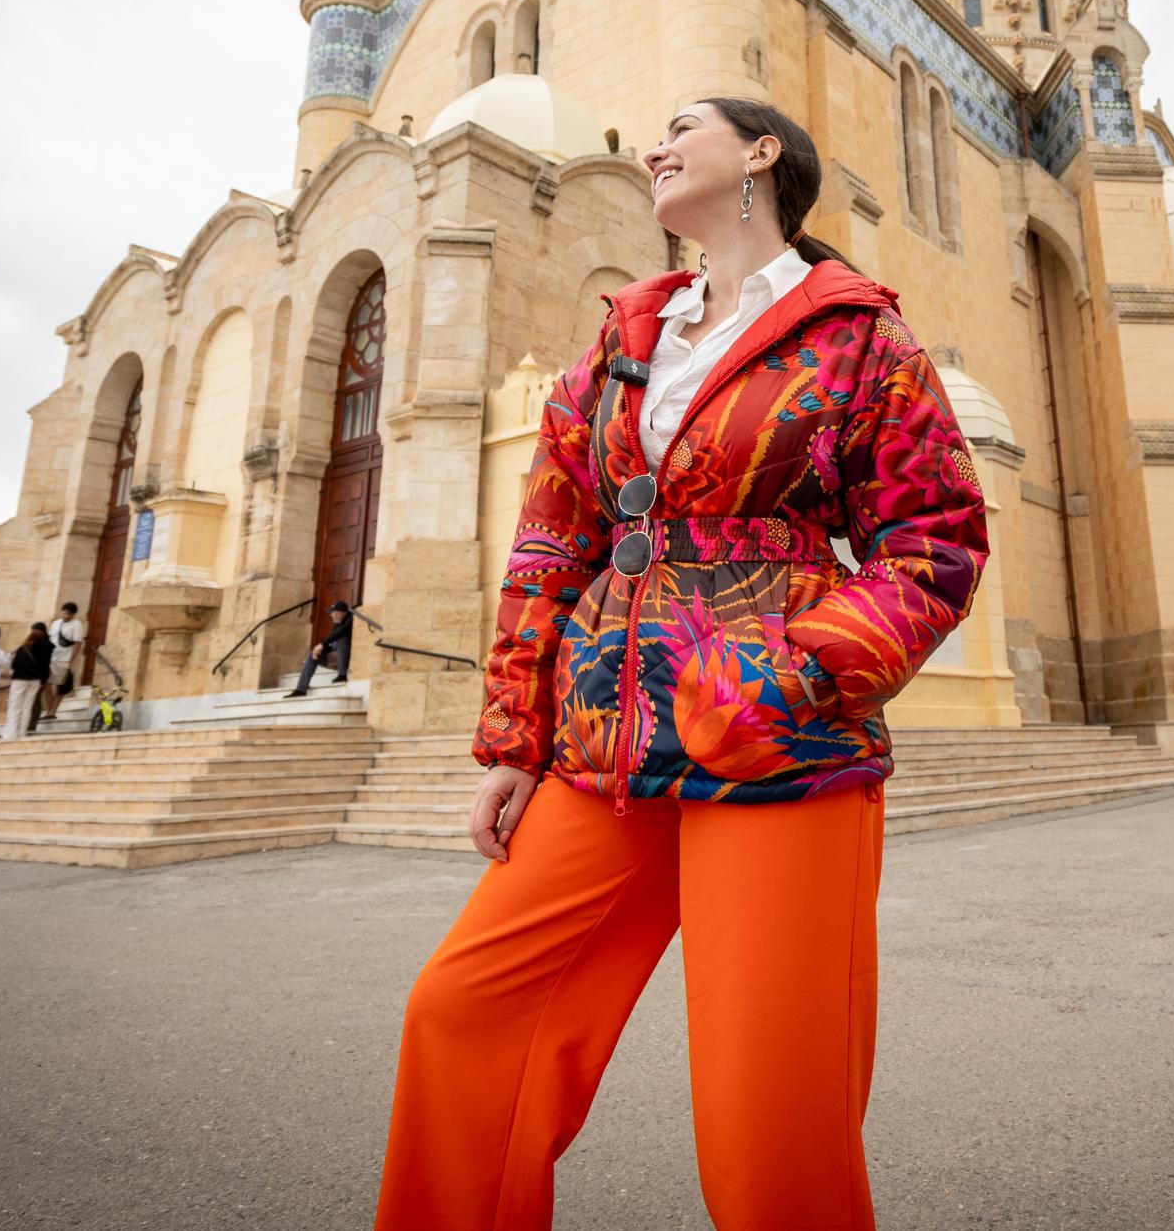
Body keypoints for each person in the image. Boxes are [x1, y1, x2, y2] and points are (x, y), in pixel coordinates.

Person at [374, 98, 990, 1230]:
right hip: (604, 746)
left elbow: (934, 542)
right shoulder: (622, 336)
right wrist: (516, 734)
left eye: (683, 125)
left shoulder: (857, 334)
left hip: (778, 743)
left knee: (767, 1113)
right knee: (463, 1012)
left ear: (763, 155)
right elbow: (553, 538)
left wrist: (789, 676)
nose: (655, 146)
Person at [284, 601, 353, 697]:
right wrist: (320, 650)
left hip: (349, 656)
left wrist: (322, 645)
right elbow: (330, 641)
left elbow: (340, 632)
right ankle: (301, 689)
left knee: (341, 638)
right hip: (335, 656)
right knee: (313, 654)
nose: (331, 615)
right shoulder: (337, 622)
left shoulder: (352, 618)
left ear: (339, 613)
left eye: (332, 613)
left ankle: (342, 675)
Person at [2, 622, 51, 740]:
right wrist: (43, 680)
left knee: (15, 705)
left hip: (20, 678)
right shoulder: (46, 648)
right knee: (27, 707)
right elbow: (45, 666)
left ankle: (11, 734)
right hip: (35, 680)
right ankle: (22, 733)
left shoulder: (23, 648)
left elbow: (14, 665)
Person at [44, 602, 86, 720]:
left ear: (73, 615)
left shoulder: (77, 624)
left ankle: (52, 712)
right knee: (46, 684)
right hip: (51, 658)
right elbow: (50, 639)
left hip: (64, 660)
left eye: (69, 614)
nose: (67, 616)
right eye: (65, 613)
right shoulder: (55, 623)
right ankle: (48, 710)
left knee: (60, 686)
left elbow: (78, 643)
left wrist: (71, 660)